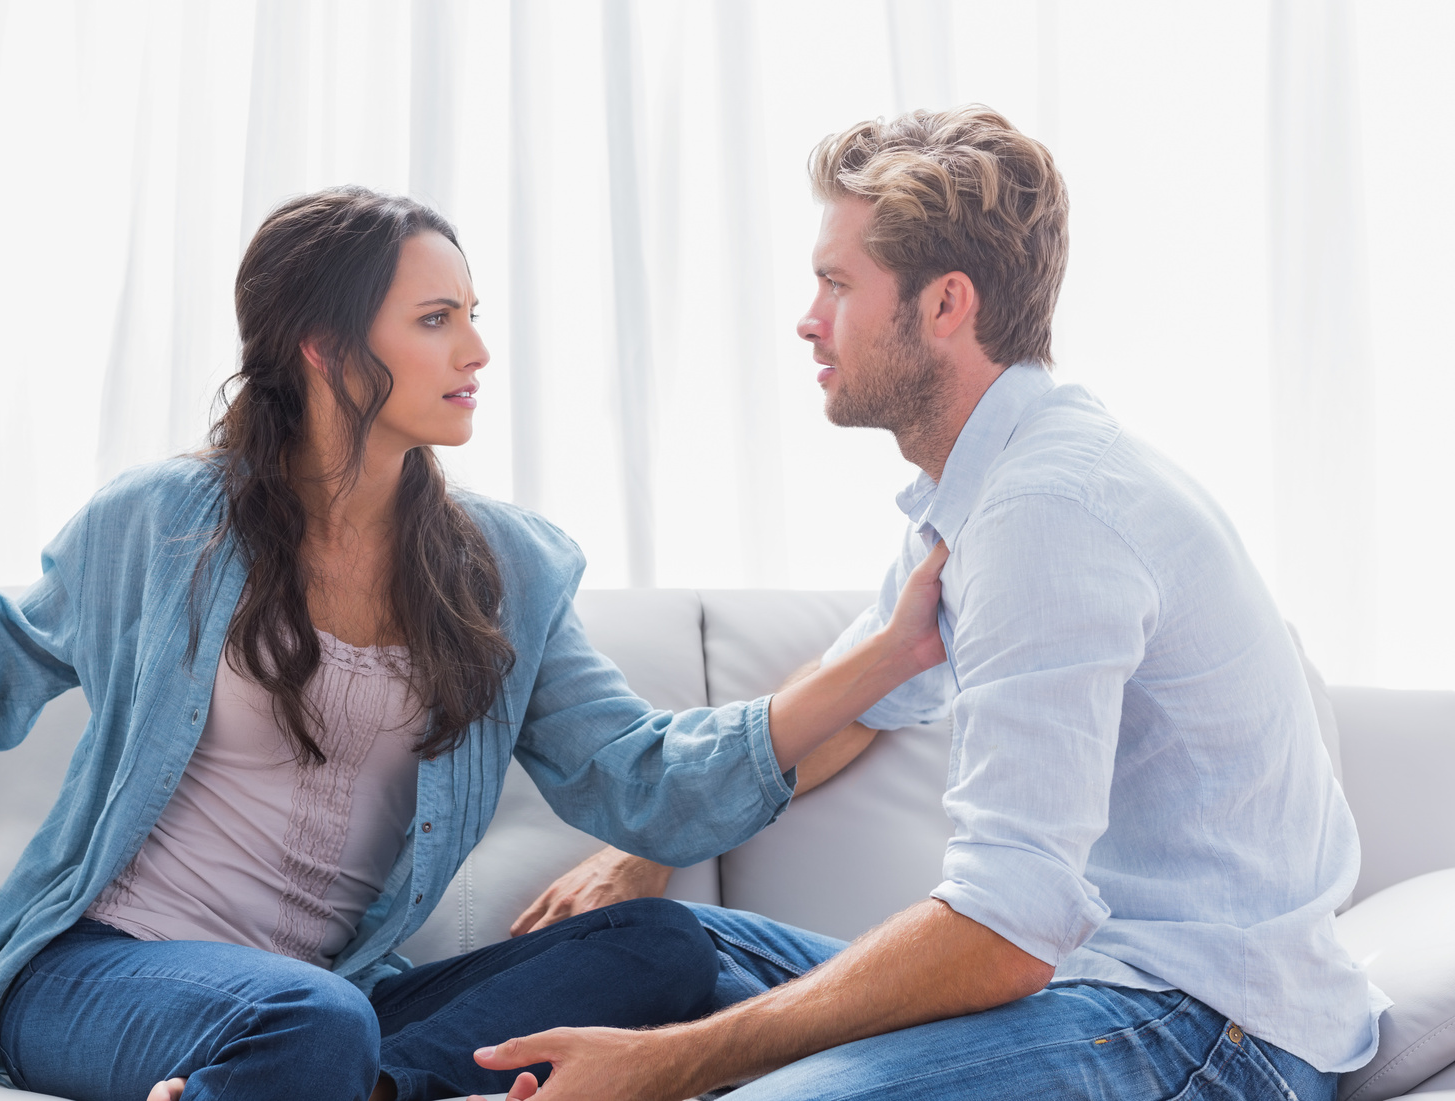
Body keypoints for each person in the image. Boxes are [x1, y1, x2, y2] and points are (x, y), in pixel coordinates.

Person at [0, 189, 950, 1101]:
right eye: (434, 320)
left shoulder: (503, 572)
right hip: (96, 971)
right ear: (320, 346)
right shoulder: (167, 524)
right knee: (303, 1019)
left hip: (329, 995)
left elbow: (644, 786)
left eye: (470, 313)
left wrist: (883, 657)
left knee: (657, 945)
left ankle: (349, 1092)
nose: (476, 349)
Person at [473, 106, 1385, 1101]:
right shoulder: (983, 486)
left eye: (835, 283)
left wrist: (663, 1064)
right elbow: (854, 704)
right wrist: (647, 847)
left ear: (945, 304)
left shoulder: (1050, 510)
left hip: (1201, 1024)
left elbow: (1005, 933)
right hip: (1085, 990)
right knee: (657, 943)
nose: (806, 318)